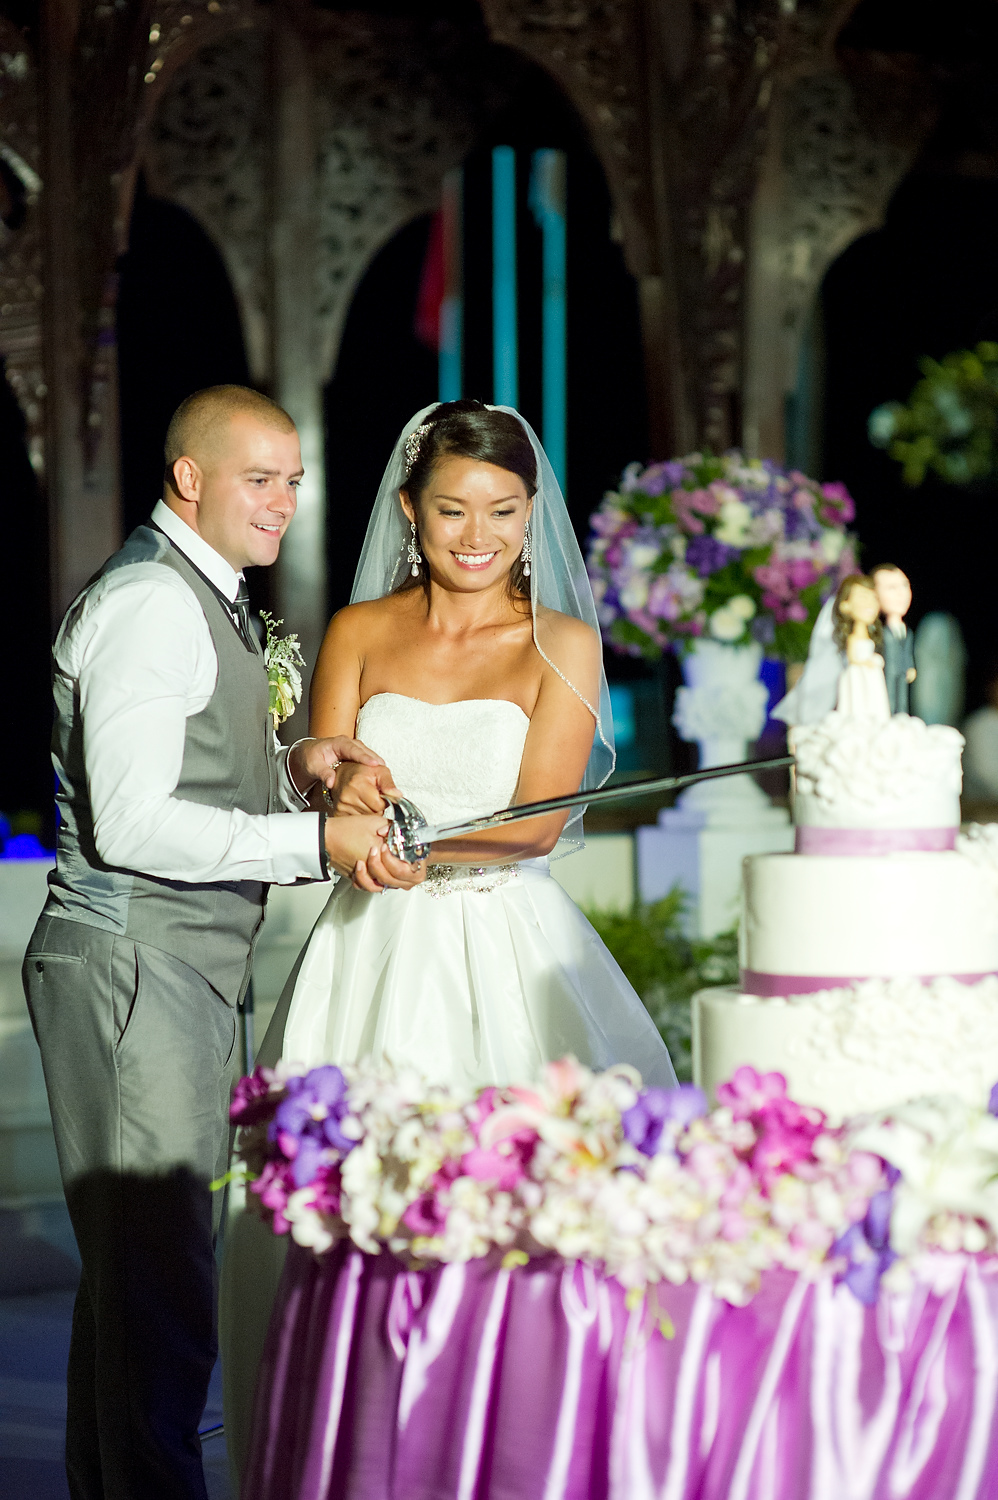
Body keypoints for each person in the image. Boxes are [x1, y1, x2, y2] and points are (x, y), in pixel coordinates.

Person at [221, 400, 676, 1483]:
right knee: (343, 1202)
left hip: (503, 941)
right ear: (410, 510)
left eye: (503, 511)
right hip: (366, 944)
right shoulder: (358, 630)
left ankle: (527, 1450)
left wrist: (418, 848)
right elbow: (323, 770)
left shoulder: (562, 642)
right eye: (453, 510)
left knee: (522, 1207)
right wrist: (337, 785)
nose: (479, 536)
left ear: (531, 514)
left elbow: (538, 821)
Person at [22, 384, 424, 1500]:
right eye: (259, 478)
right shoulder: (153, 601)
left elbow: (190, 768)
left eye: (292, 480)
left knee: (136, 1290)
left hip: (177, 966)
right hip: (131, 963)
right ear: (189, 477)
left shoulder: (207, 593)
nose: (283, 501)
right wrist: (316, 841)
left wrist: (295, 765)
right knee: (159, 1293)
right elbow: (132, 824)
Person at [832, 572, 891, 719]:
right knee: (858, 702)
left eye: (874, 598)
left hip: (871, 675)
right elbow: (852, 657)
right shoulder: (853, 637)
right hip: (858, 675)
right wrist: (868, 662)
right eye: (863, 597)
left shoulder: (869, 634)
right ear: (845, 605)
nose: (870, 603)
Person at [871, 563, 917, 713]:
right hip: (885, 672)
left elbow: (907, 650)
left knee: (902, 696)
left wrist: (910, 666)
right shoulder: (879, 631)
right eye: (891, 588)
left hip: (902, 671)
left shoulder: (906, 631)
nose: (901, 594)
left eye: (905, 586)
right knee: (888, 694)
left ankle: (900, 714)